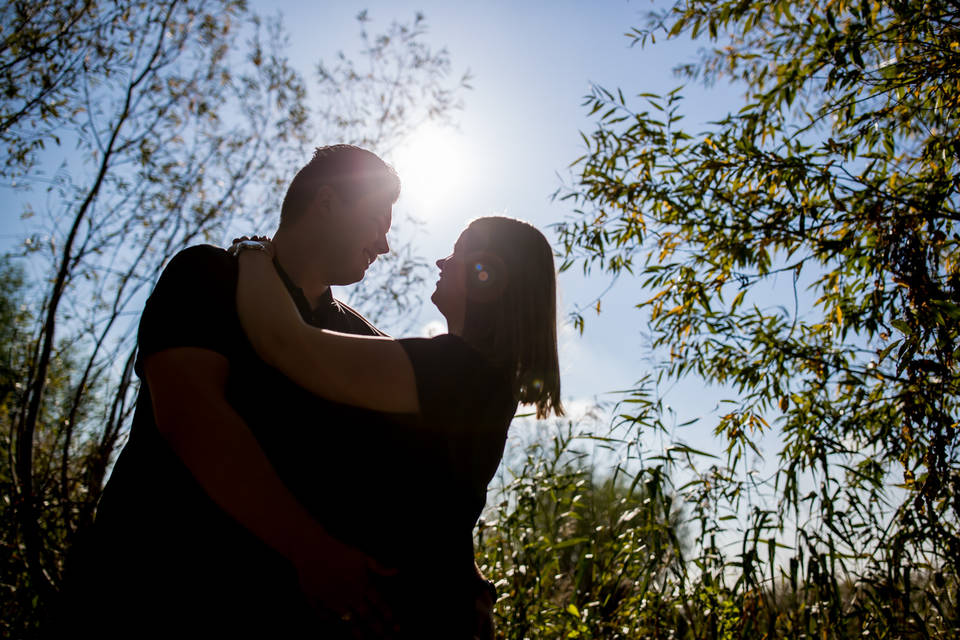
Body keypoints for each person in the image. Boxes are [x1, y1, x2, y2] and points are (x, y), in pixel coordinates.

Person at [55, 144, 405, 638]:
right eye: (377, 222)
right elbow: (190, 416)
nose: (385, 245)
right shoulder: (207, 274)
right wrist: (311, 549)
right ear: (327, 202)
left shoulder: (361, 339)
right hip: (142, 592)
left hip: (271, 611)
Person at [231, 215, 564, 637]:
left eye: (459, 253)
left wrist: (252, 252)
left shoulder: (458, 373)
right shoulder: (477, 380)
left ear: (488, 276)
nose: (443, 261)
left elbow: (284, 343)